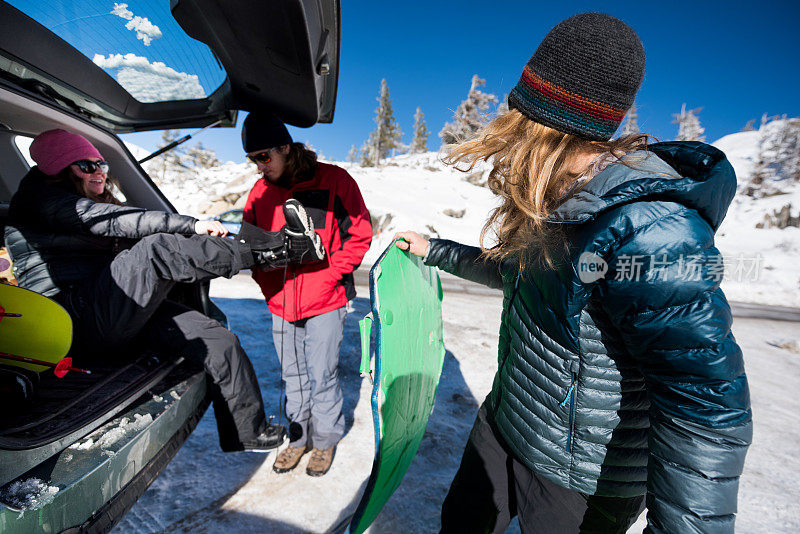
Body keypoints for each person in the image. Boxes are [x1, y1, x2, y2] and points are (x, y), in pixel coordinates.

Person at [396, 13, 752, 533]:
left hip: (582, 477)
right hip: (508, 420)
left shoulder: (651, 229)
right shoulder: (557, 200)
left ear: (545, 122)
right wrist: (438, 251)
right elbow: (521, 275)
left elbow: (705, 404)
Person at [4, 128, 320, 453]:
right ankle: (275, 252)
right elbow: (113, 221)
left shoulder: (78, 202)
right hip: (73, 319)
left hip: (111, 308)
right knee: (156, 250)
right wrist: (191, 225)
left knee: (217, 338)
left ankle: (249, 432)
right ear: (59, 170)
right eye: (86, 165)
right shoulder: (41, 201)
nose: (98, 171)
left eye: (101, 164)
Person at [241, 113, 372, 477]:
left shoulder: (334, 181)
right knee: (293, 376)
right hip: (281, 303)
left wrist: (330, 276)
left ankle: (326, 441)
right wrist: (267, 284)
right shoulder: (259, 192)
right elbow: (249, 244)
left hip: (326, 301)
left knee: (322, 374)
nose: (259, 166)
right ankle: (297, 440)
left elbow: (359, 234)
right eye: (253, 159)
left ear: (286, 147)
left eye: (264, 157)